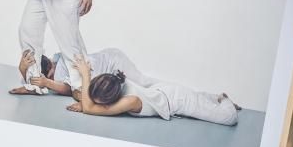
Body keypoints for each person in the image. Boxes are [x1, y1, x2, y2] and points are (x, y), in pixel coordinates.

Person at [69, 54, 240, 125]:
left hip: (176, 99)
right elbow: (91, 102)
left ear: (111, 101)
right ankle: (212, 97)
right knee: (198, 98)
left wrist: (85, 76)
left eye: (102, 105)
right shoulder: (110, 83)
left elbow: (91, 108)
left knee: (228, 118)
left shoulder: (131, 101)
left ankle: (223, 99)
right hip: (160, 91)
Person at [14, 47, 157, 100]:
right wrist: (23, 68)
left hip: (114, 62)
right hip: (109, 59)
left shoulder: (59, 70)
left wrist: (47, 83)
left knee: (143, 84)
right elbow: (31, 84)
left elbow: (69, 88)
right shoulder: (57, 58)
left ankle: (170, 95)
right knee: (139, 88)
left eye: (48, 76)